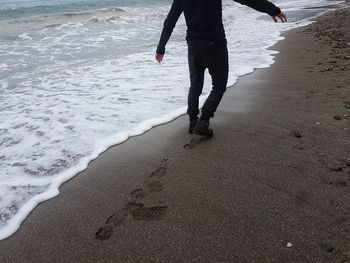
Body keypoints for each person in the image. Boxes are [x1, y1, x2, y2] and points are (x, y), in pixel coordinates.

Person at [155, 0, 287, 137]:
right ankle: (203, 121)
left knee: (195, 86)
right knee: (219, 85)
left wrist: (161, 48)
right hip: (215, 44)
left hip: (194, 47)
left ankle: (193, 121)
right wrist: (273, 10)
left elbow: (170, 21)